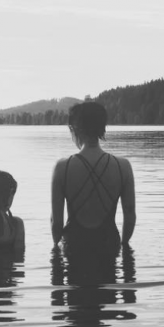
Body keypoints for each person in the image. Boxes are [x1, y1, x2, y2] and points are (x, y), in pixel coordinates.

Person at [51, 102, 136, 255]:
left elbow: (56, 223)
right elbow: (130, 216)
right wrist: (123, 246)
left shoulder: (62, 167)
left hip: (74, 244)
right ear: (102, 128)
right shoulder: (123, 166)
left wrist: (56, 250)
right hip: (109, 243)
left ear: (74, 129)